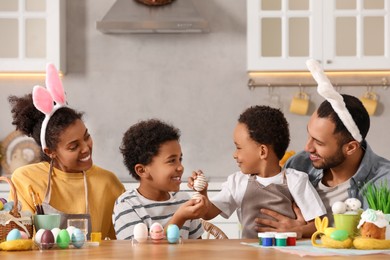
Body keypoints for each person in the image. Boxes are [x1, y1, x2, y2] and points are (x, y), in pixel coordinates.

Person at [254, 59, 390, 236]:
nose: (307, 147)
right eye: (309, 135)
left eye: (319, 142)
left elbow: (377, 239)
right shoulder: (298, 165)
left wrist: (309, 230)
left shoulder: (384, 181)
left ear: (350, 148)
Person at [8, 64, 125, 240]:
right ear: (51, 151)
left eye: (87, 137)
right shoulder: (26, 180)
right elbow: (22, 240)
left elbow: (120, 243)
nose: (86, 148)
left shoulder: (108, 183)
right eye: (73, 146)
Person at [188, 105, 326, 238]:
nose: (234, 154)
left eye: (238, 147)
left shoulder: (296, 181)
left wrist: (298, 230)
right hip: (250, 253)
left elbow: (320, 226)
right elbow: (207, 213)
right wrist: (202, 194)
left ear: (262, 151)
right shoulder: (237, 182)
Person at [113, 119, 206, 240]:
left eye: (180, 159)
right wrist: (180, 217)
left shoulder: (184, 200)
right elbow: (139, 254)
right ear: (142, 170)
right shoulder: (126, 205)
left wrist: (202, 194)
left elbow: (198, 250)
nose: (181, 167)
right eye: (172, 160)